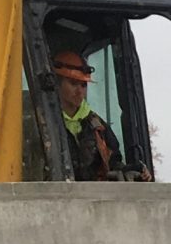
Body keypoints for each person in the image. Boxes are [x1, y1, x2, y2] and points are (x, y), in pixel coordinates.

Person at [48, 47, 125, 181]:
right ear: (56, 83)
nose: (80, 91)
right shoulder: (40, 121)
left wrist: (128, 170)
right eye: (73, 84)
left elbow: (114, 163)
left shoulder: (98, 127)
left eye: (83, 85)